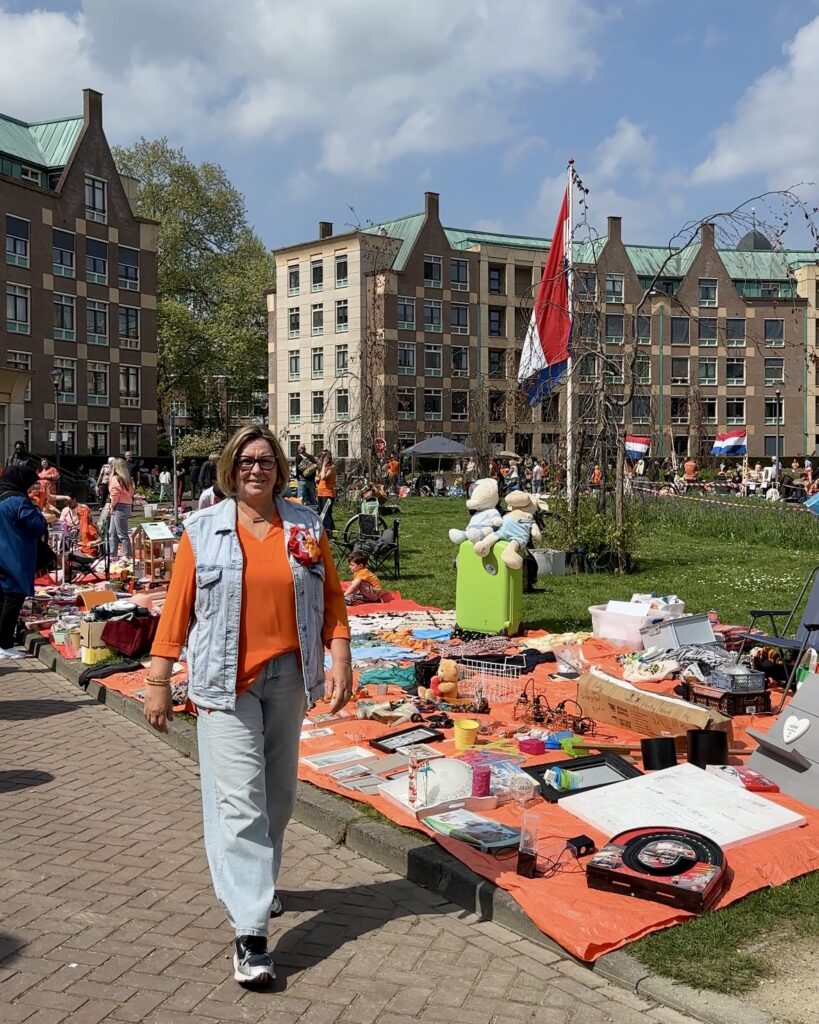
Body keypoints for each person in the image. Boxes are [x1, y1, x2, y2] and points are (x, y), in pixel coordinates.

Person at [144, 425, 352, 986]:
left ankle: (257, 886)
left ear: (279, 468)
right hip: (224, 683)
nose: (254, 469)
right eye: (243, 461)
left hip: (289, 677)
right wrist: (160, 678)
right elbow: (178, 608)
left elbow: (331, 597)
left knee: (278, 797)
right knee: (241, 803)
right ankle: (252, 933)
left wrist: (340, 658)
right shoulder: (204, 528)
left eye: (264, 460)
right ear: (229, 469)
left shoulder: (305, 524)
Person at [0, 465, 47, 650]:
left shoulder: (3, 496)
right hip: (14, 555)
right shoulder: (18, 501)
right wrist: (39, 513)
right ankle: (5, 644)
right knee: (13, 598)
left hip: (3, 552)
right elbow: (37, 525)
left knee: (3, 599)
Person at [108, 458, 134, 558]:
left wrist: (112, 505)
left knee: (121, 534)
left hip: (119, 506)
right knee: (113, 532)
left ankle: (127, 556)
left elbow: (115, 494)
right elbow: (131, 493)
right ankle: (113, 554)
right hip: (127, 505)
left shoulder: (115, 478)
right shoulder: (128, 479)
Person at [317, 450, 337, 537]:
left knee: (326, 513)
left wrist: (324, 465)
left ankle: (330, 533)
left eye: (323, 458)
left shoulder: (332, 467)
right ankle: (324, 531)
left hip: (328, 493)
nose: (322, 460)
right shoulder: (323, 468)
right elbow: (318, 477)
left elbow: (323, 477)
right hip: (320, 493)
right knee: (321, 513)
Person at [295, 443, 318, 508]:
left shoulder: (298, 456)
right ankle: (317, 510)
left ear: (299, 449)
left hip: (302, 479)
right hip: (310, 480)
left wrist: (297, 478)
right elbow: (314, 468)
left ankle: (300, 512)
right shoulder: (311, 456)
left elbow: (297, 468)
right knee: (312, 497)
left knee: (300, 497)